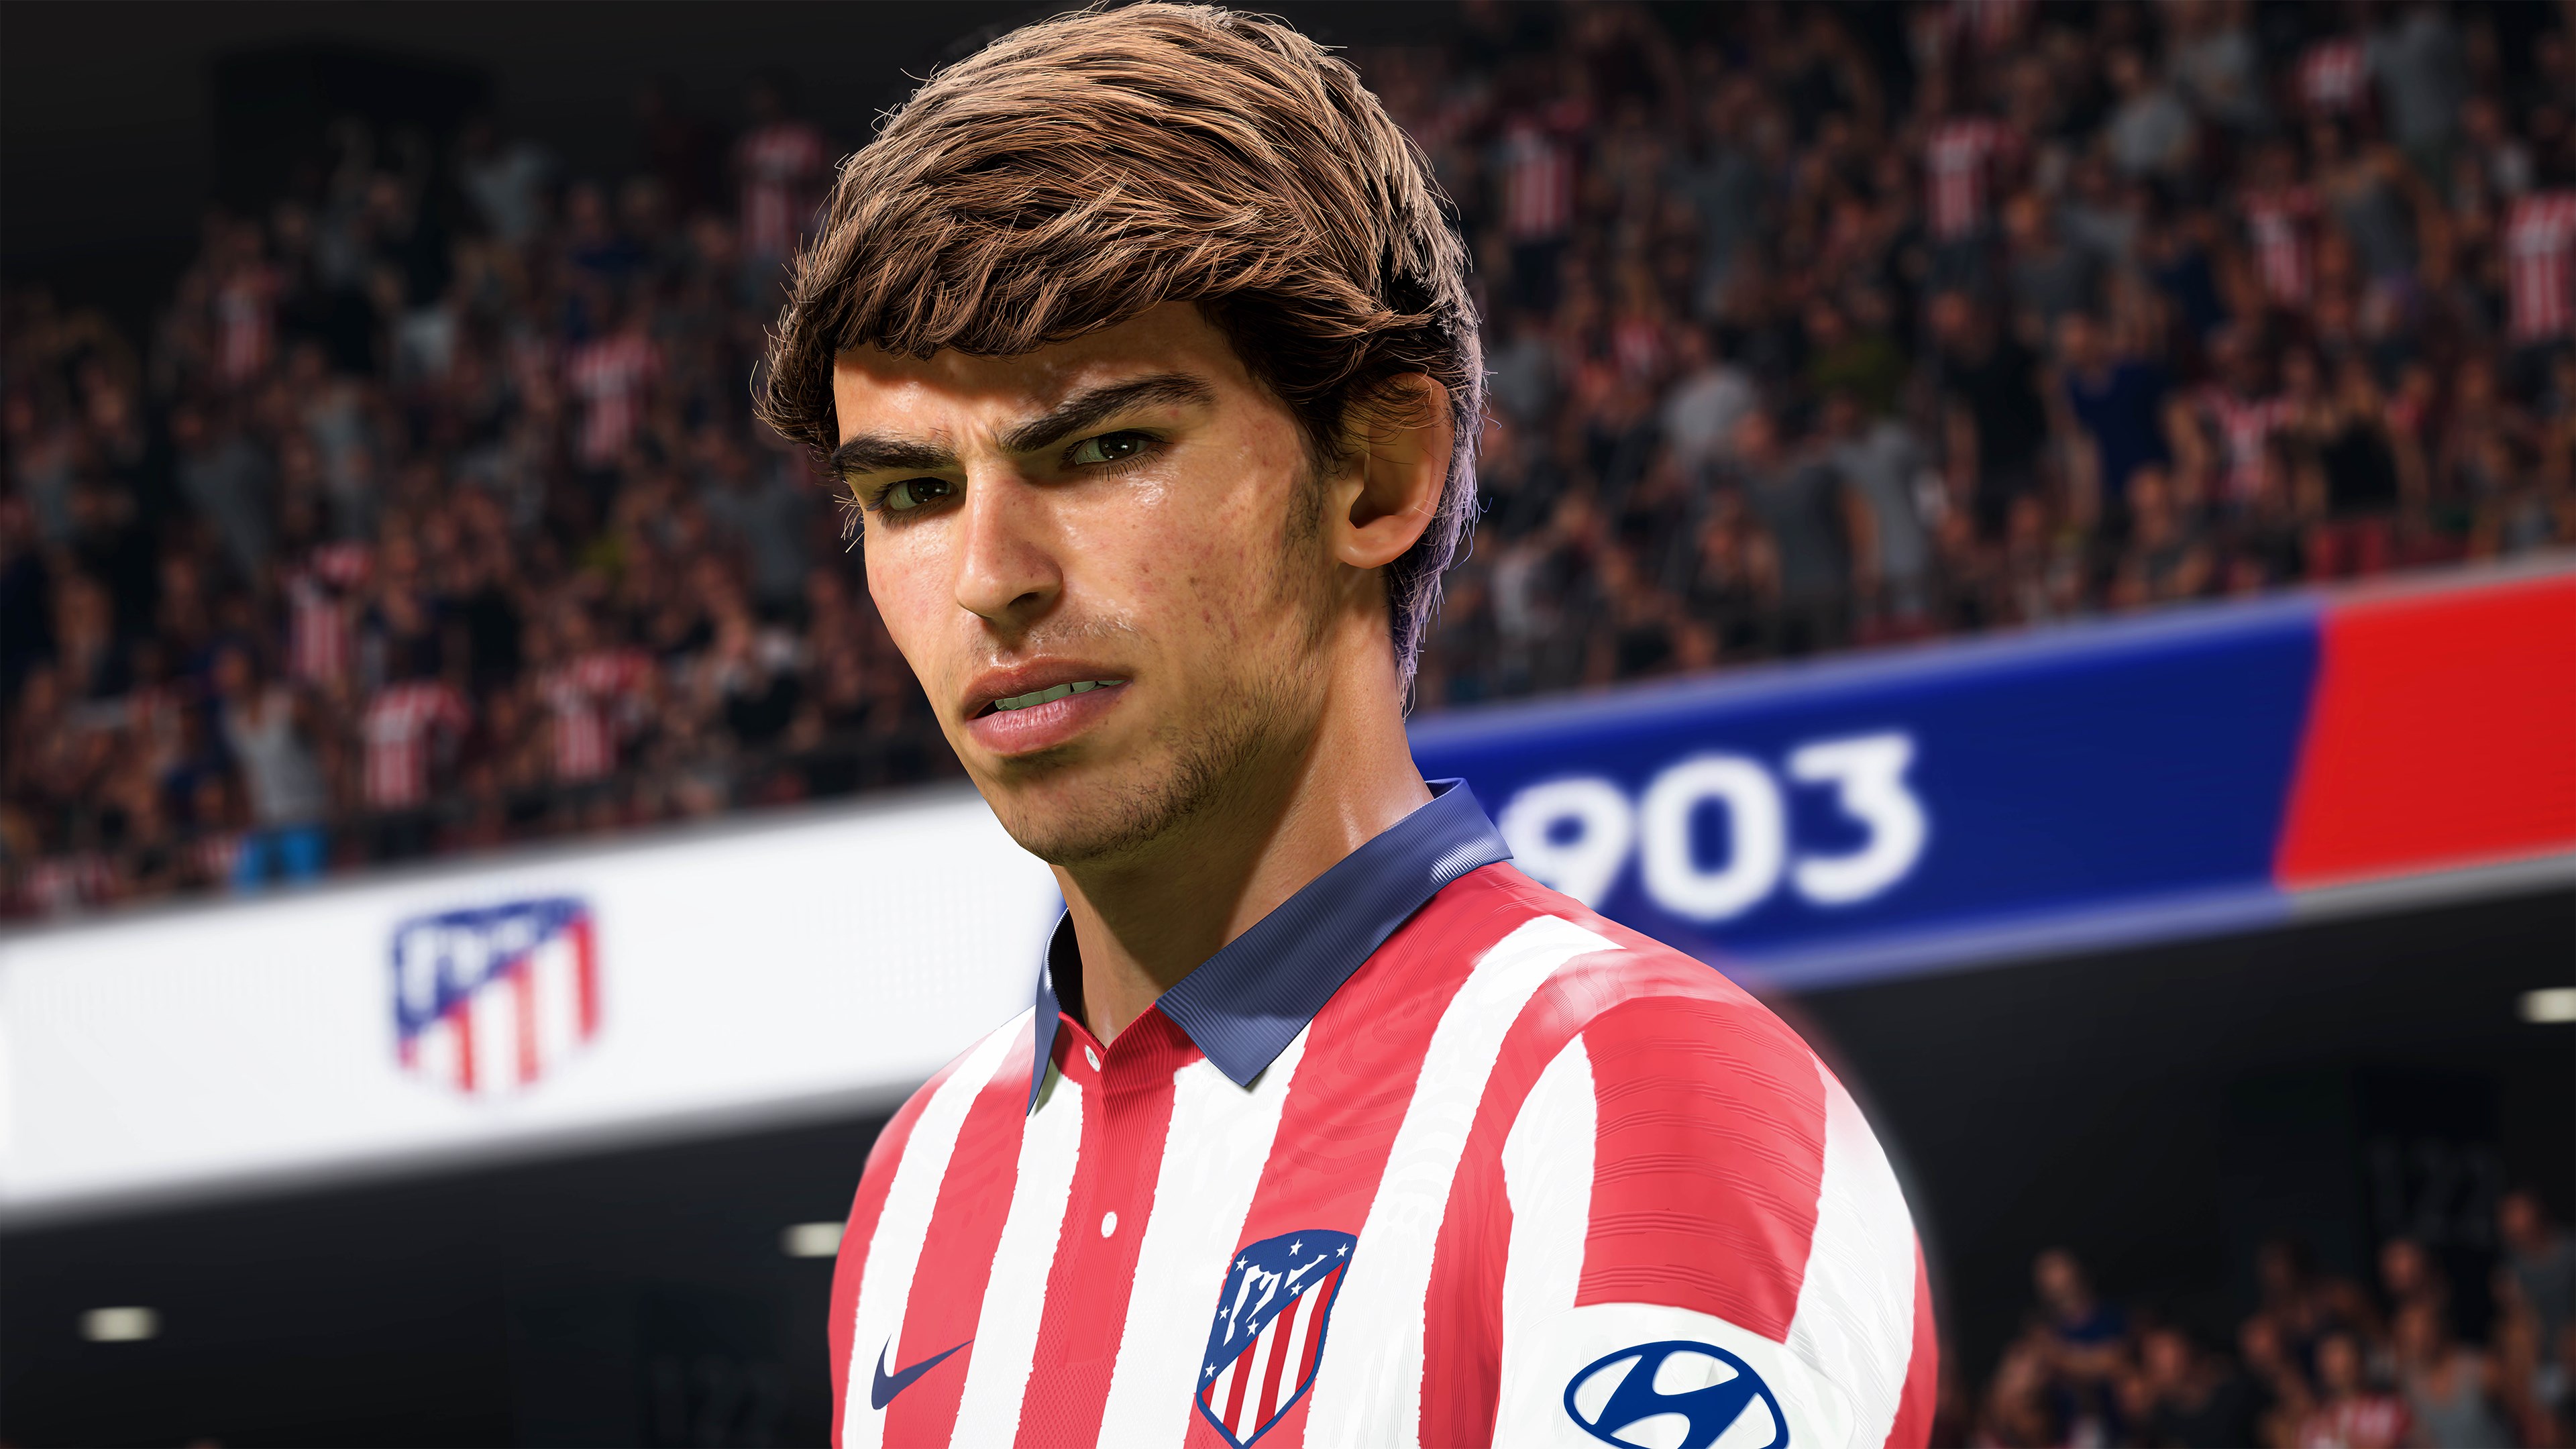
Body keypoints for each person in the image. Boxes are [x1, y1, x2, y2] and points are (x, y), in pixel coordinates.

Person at [757, 8, 1935, 1447]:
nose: (989, 577)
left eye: (1104, 449)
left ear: (1376, 474)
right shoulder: (922, 1186)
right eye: (911, 495)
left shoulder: (1630, 1099)